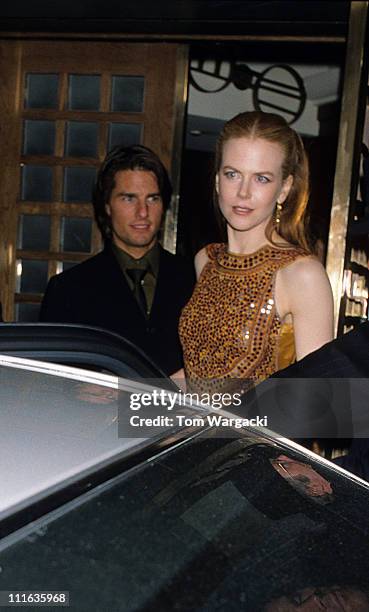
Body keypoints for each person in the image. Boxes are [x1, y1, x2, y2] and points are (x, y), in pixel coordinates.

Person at [179, 111, 334, 393]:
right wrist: (126, 399)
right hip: (191, 433)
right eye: (232, 174)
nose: (243, 192)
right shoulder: (206, 260)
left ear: (284, 188)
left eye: (261, 178)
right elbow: (197, 376)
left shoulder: (301, 274)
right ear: (217, 180)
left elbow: (317, 399)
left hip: (255, 435)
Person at [40, 145, 195, 376]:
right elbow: (48, 382)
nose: (143, 212)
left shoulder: (196, 280)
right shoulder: (68, 290)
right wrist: (80, 389)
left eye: (152, 198)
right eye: (129, 198)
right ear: (107, 206)